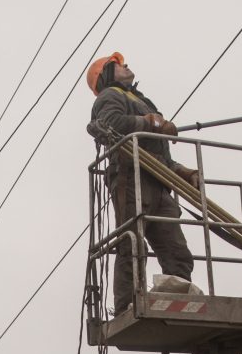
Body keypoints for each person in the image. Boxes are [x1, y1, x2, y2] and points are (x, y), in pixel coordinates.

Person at [84, 52, 199, 314]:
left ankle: (180, 299)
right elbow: (107, 124)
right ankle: (127, 304)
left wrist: (182, 172)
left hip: (157, 180)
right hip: (130, 177)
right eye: (118, 65)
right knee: (132, 243)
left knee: (176, 247)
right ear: (106, 75)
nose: (126, 66)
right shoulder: (110, 96)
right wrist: (148, 122)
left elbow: (156, 153)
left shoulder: (143, 101)